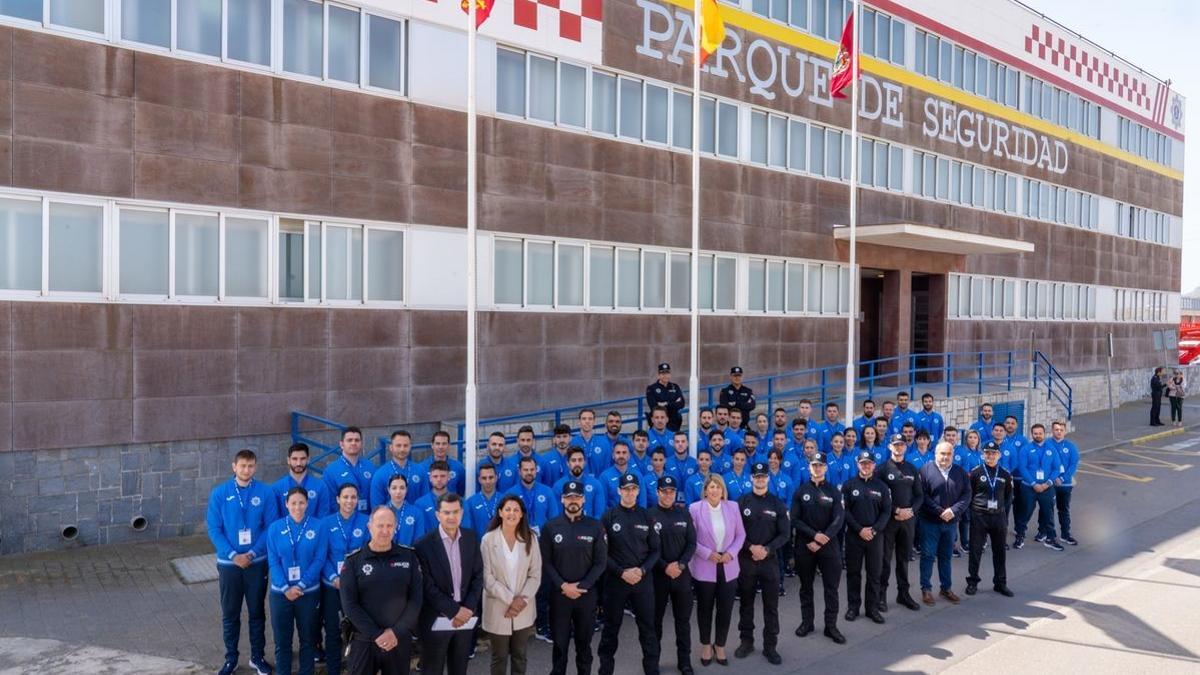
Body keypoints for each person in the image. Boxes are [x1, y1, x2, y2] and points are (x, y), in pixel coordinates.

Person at [208, 449, 278, 675]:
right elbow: (214, 529)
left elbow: (271, 527)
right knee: (230, 613)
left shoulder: (265, 493)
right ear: (234, 467)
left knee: (257, 611)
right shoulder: (220, 493)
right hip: (229, 565)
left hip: (256, 563)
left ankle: (257, 657)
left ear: (255, 467)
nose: (246, 470)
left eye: (250, 466)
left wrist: (252, 553)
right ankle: (231, 658)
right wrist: (233, 555)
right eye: (242, 466)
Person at [340, 506, 423, 675]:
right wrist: (378, 635)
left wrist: (396, 632)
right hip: (364, 640)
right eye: (380, 526)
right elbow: (350, 605)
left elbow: (416, 600)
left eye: (389, 526)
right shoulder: (353, 561)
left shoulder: (409, 557)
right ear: (370, 527)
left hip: (398, 639)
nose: (385, 531)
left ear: (395, 527)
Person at [598, 473, 662, 675]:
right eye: (625, 488)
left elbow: (655, 551)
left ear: (638, 491)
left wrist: (641, 570)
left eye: (633, 488)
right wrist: (621, 572)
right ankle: (605, 671)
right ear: (619, 491)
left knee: (648, 630)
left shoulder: (646, 515)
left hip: (642, 581)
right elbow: (602, 553)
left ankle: (651, 670)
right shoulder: (608, 516)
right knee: (610, 630)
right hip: (616, 582)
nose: (629, 492)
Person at [541, 480, 607, 675]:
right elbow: (546, 562)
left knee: (584, 645)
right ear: (562, 499)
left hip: (586, 596)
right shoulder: (550, 527)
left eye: (577, 497)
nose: (573, 501)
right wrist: (563, 586)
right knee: (560, 645)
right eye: (569, 497)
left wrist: (583, 586)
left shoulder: (595, 527)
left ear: (583, 499)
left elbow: (600, 563)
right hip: (560, 596)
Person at [414, 494, 483, 675]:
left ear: (461, 513)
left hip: (466, 617)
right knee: (432, 669)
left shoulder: (471, 538)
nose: (451, 517)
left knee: (459, 669)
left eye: (455, 512)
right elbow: (427, 585)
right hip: (436, 618)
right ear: (438, 515)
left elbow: (478, 577)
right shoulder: (423, 545)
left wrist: (468, 607)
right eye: (446, 512)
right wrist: (454, 610)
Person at [267, 487, 327, 675]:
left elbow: (319, 559)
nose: (297, 507)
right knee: (282, 642)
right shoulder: (275, 528)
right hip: (280, 594)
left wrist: (301, 585)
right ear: (286, 504)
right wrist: (286, 588)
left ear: (307, 503)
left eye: (301, 502)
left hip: (308, 593)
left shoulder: (318, 526)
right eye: (293, 503)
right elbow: (273, 561)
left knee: (308, 640)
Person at [734, 462, 789, 666]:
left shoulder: (777, 503)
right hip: (747, 561)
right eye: (756, 477)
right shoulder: (742, 502)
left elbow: (784, 534)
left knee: (771, 606)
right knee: (746, 604)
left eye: (763, 477)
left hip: (769, 562)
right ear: (751, 479)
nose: (759, 479)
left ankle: (770, 646)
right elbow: (736, 532)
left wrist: (766, 550)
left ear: (768, 478)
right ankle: (746, 642)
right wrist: (751, 548)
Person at [481, 495, 542, 675]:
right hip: (498, 607)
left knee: (520, 655)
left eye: (516, 510)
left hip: (524, 607)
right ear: (500, 512)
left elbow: (535, 574)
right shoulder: (488, 539)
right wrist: (511, 600)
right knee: (499, 657)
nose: (512, 513)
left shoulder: (531, 538)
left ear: (522, 514)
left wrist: (521, 600)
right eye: (507, 509)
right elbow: (487, 577)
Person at [790, 452, 846, 644]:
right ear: (809, 467)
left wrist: (823, 538)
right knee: (806, 587)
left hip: (829, 547)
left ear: (826, 468)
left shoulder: (833, 491)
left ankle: (831, 626)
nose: (817, 468)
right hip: (805, 546)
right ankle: (807, 623)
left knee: (831, 588)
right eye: (814, 465)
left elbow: (839, 519)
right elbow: (795, 519)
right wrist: (814, 536)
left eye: (820, 465)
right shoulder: (801, 491)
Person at [689, 474, 744, 666]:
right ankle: (706, 644)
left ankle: (720, 645)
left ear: (723, 490)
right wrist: (706, 553)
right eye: (711, 487)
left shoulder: (733, 507)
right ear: (705, 490)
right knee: (704, 608)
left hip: (728, 564)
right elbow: (691, 539)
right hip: (705, 565)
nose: (714, 490)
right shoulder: (695, 509)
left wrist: (731, 553)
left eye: (718, 487)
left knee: (725, 608)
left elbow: (740, 534)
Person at [648, 476, 697, 675]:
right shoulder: (649, 515)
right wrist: (664, 566)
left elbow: (692, 543)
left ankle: (684, 662)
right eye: (664, 491)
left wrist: (682, 564)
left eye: (671, 491)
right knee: (655, 622)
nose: (668, 495)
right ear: (658, 492)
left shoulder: (683, 513)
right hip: (658, 577)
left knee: (683, 622)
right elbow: (648, 548)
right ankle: (653, 662)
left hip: (681, 575)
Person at [320, 483, 370, 675]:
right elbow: (321, 556)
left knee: (358, 630)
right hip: (332, 586)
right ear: (338, 499)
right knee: (332, 631)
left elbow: (367, 554)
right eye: (346, 497)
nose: (349, 501)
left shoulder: (366, 522)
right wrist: (333, 577)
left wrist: (354, 579)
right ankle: (333, 670)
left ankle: (356, 668)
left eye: (353, 497)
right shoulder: (326, 523)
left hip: (357, 587)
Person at [917, 442, 971, 606]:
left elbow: (967, 495)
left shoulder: (960, 472)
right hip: (930, 522)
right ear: (935, 454)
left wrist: (953, 511)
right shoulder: (925, 470)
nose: (945, 457)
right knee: (927, 555)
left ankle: (946, 588)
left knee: (946, 556)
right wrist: (940, 511)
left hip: (951, 523)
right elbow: (922, 496)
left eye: (948, 454)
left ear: (952, 455)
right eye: (942, 454)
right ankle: (926, 589)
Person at [841, 451, 890, 624]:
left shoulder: (882, 487)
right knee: (853, 573)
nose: (866, 466)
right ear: (858, 464)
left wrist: (874, 530)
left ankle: (872, 608)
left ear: (874, 465)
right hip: (854, 536)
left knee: (874, 574)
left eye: (869, 463)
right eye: (863, 463)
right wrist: (859, 529)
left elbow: (886, 512)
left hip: (875, 538)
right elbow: (845, 511)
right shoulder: (849, 485)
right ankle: (853, 607)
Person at [877, 435, 923, 612]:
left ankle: (903, 594)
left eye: (901, 444)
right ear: (890, 446)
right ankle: (881, 596)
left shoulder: (912, 468)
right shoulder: (882, 469)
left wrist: (910, 511)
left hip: (908, 520)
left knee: (904, 559)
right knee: (885, 560)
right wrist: (896, 510)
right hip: (890, 520)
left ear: (905, 446)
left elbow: (919, 495)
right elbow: (880, 496)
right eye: (895, 444)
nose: (898, 447)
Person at [966, 442, 1015, 597]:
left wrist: (1000, 510)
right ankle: (972, 582)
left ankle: (1000, 583)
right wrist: (974, 512)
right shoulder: (976, 472)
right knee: (975, 551)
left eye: (993, 453)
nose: (990, 456)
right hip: (979, 516)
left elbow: (1008, 497)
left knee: (999, 551)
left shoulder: (1005, 474)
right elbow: (969, 494)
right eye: (987, 453)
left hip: (998, 516)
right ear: (983, 454)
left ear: (999, 455)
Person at [1015, 424, 1064, 551]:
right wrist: (1034, 484)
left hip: (1047, 487)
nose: (1038, 435)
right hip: (1028, 488)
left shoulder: (1051, 449)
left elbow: (1056, 468)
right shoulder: (1026, 449)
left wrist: (1047, 483)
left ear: (1044, 433)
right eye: (1035, 433)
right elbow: (1022, 468)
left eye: (1040, 433)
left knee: (1048, 514)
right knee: (1025, 513)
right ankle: (1020, 536)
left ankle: (1051, 538)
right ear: (1032, 434)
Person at [323, 427, 376, 514]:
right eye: (349, 440)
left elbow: (375, 496)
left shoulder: (370, 467)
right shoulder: (331, 470)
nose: (353, 443)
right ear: (341, 444)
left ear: (361, 444)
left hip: (367, 519)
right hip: (344, 520)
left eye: (357, 440)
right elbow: (331, 501)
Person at [272, 443, 332, 519]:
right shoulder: (276, 489)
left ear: (308, 459)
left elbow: (323, 518)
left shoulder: (321, 487)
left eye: (302, 459)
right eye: (294, 459)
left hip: (313, 530)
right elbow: (275, 521)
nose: (298, 463)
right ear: (288, 460)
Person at [371, 431, 424, 508]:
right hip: (390, 518)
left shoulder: (420, 470)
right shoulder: (380, 474)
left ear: (410, 447)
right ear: (391, 447)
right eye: (398, 445)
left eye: (405, 445)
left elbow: (425, 501)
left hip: (416, 518)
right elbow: (377, 507)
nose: (402, 449)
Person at [551, 447, 606, 518]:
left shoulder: (596, 484)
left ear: (585, 462)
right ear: (568, 463)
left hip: (590, 527)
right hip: (566, 528)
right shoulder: (559, 486)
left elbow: (599, 514)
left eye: (580, 460)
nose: (577, 463)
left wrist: (592, 528)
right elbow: (557, 515)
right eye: (573, 460)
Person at [1050, 421, 1080, 546]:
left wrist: (1062, 479)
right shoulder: (1047, 444)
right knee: (1047, 510)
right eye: (1056, 429)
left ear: (1065, 431)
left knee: (1064, 510)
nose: (1059, 432)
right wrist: (1052, 478)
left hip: (1065, 484)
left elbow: (1073, 465)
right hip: (1050, 484)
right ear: (1052, 431)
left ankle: (1065, 534)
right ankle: (1046, 533)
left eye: (1061, 430)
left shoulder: (1071, 446)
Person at [385, 474, 426, 547]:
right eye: (394, 488)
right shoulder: (381, 513)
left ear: (406, 489)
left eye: (402, 488)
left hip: (410, 555)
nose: (398, 492)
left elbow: (419, 541)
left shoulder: (416, 513)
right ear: (388, 490)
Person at [423, 431, 467, 496]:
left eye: (444, 444)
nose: (440, 447)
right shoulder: (422, 467)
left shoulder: (458, 467)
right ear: (432, 445)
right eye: (437, 443)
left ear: (449, 445)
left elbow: (460, 491)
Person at [646, 363, 686, 432]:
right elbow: (654, 407)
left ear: (670, 374)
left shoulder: (675, 387)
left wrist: (666, 404)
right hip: (659, 422)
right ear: (658, 375)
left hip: (674, 422)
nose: (665, 376)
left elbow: (682, 404)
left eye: (667, 373)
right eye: (663, 373)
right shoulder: (651, 388)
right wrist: (674, 403)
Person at [416, 461, 454, 531]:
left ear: (449, 477)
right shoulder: (420, 504)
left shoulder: (458, 502)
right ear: (430, 478)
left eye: (442, 476)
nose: (439, 479)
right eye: (435, 476)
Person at [465, 464, 502, 535]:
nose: (488, 481)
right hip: (479, 544)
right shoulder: (470, 503)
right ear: (479, 479)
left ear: (496, 478)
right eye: (484, 478)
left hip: (501, 544)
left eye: (491, 477)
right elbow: (468, 529)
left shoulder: (505, 500)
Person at [573, 409, 610, 476]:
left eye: (590, 419)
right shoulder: (572, 442)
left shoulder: (604, 443)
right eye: (584, 419)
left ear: (594, 422)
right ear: (579, 422)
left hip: (599, 483)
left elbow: (607, 467)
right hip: (579, 483)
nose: (587, 421)